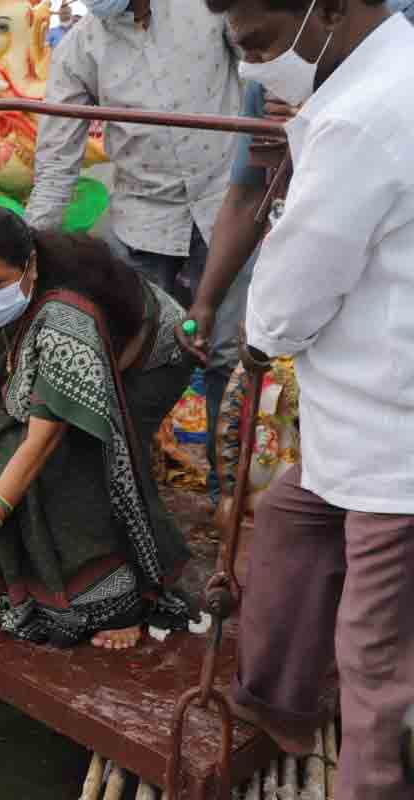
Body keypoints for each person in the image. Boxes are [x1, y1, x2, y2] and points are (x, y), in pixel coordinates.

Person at [209, 0, 414, 796]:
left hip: (392, 440)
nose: (256, 68)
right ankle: (279, 702)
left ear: (327, 10)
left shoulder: (362, 118)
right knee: (291, 524)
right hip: (356, 420)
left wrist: (256, 327)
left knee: (376, 662)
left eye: (259, 44)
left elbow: (286, 307)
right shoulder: (374, 80)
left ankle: (373, 781)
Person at [0, 207, 194, 651]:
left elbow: (41, 443)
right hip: (53, 367)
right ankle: (6, 567)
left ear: (31, 267)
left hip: (149, 358)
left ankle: (126, 592)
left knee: (93, 461)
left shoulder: (67, 315)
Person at [25, 0, 241, 460]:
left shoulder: (205, 9)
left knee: (228, 353)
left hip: (227, 209)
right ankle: (134, 476)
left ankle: (228, 489)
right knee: (135, 357)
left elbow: (263, 67)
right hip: (144, 222)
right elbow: (57, 160)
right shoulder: (80, 47)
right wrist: (26, 255)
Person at [174, 81, 295, 503]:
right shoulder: (266, 80)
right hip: (291, 292)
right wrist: (206, 302)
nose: (254, 60)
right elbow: (248, 193)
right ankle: (229, 499)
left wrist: (322, 122)